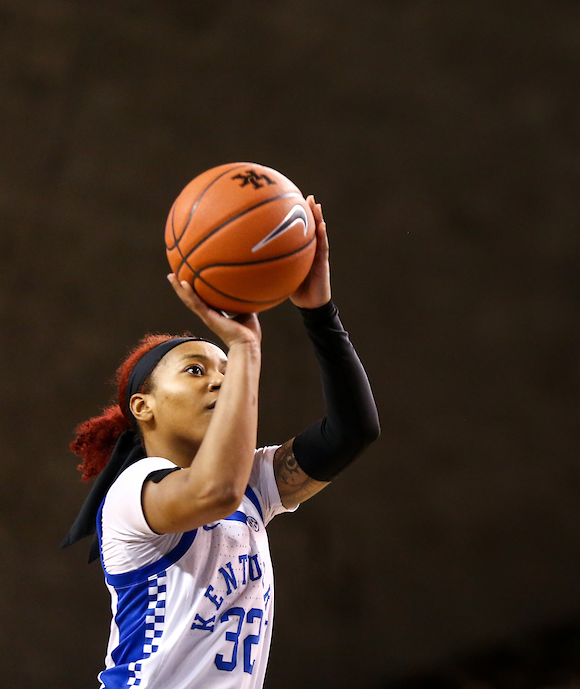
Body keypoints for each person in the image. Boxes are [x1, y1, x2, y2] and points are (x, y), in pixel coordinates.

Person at [61, 197, 379, 689]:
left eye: (226, 371)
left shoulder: (250, 483)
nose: (220, 381)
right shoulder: (132, 493)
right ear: (143, 407)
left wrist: (320, 312)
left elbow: (352, 432)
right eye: (196, 370)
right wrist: (245, 348)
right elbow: (216, 492)